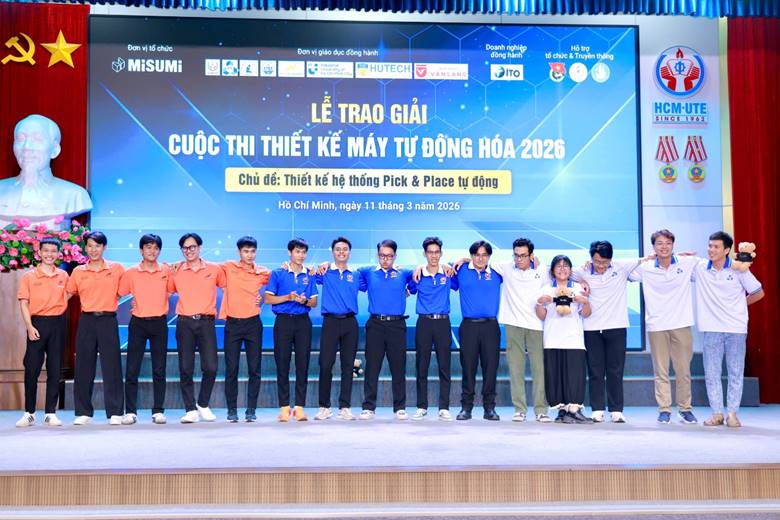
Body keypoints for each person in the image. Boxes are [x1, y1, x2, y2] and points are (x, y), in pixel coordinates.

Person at [693, 231, 764, 427]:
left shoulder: (739, 269)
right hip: (711, 328)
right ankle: (717, 413)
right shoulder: (700, 268)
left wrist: (739, 305)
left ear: (726, 250)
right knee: (712, 372)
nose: (711, 250)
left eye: (716, 247)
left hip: (736, 328)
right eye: (710, 246)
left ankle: (732, 413)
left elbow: (758, 292)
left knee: (735, 371)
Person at [629, 229, 699, 424]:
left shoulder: (686, 262)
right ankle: (664, 409)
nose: (664, 247)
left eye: (668, 243)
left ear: (673, 245)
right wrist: (643, 259)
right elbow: (623, 272)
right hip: (657, 325)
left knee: (683, 370)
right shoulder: (645, 267)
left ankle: (685, 409)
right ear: (653, 247)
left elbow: (712, 265)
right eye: (659, 243)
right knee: (661, 371)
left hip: (681, 323)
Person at [571, 241, 643, 424]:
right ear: (591, 258)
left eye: (604, 262)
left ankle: (616, 410)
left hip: (616, 326)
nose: (601, 266)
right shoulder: (583, 270)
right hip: (591, 328)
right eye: (597, 261)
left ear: (611, 259)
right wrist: (580, 280)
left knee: (615, 371)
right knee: (595, 371)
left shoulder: (621, 267)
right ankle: (597, 409)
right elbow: (559, 271)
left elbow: (649, 259)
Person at [66, 231, 125, 425]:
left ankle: (115, 412)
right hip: (87, 320)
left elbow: (129, 286)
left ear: (104, 247)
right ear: (85, 248)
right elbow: (67, 294)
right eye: (90, 246)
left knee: (112, 367)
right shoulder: (78, 272)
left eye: (97, 246)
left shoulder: (116, 268)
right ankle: (83, 412)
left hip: (108, 320)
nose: (93, 250)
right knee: (84, 366)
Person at [491, 238, 551, 423]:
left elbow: (565, 274)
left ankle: (541, 410)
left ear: (531, 255)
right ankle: (519, 410)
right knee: (515, 368)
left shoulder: (543, 270)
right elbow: (480, 261)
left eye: (523, 256)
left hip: (536, 325)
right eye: (516, 255)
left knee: (539, 369)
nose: (519, 259)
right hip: (513, 324)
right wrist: (463, 259)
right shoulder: (506, 268)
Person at [167, 232, 226, 424]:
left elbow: (228, 287)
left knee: (211, 366)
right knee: (186, 367)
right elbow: (166, 292)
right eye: (185, 248)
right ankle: (190, 409)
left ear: (200, 248)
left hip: (206, 322)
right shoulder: (176, 270)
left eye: (192, 247)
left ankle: (203, 403)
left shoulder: (214, 269)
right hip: (184, 323)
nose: (189, 251)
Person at [0, 114, 92, 229]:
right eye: (20, 139)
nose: (26, 147)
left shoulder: (75, 195)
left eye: (37, 139)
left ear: (55, 150)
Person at [15, 238, 70, 427]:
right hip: (36, 324)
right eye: (46, 250)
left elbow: (69, 294)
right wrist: (29, 326)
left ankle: (50, 413)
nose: (49, 254)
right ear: (39, 252)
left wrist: (60, 305)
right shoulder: (29, 276)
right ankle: (29, 413)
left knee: (55, 368)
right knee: (32, 369)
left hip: (58, 324)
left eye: (53, 251)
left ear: (58, 253)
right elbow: (24, 303)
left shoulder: (63, 275)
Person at [358, 239, 415, 420]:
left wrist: (407, 291)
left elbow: (418, 277)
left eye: (389, 256)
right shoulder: (368, 272)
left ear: (395, 256)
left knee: (398, 367)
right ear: (378, 255)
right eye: (382, 255)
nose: (385, 259)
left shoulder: (404, 272)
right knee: (372, 367)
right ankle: (368, 407)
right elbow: (349, 273)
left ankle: (400, 407)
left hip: (397, 325)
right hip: (375, 324)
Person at [118, 234, 171, 425]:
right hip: (138, 323)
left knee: (159, 368)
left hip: (159, 324)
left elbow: (174, 288)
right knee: (132, 368)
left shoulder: (166, 270)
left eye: (156, 248)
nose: (152, 251)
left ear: (159, 251)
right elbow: (120, 292)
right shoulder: (131, 272)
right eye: (148, 247)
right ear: (141, 250)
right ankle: (131, 412)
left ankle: (158, 411)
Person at [265, 238, 318, 422]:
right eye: (297, 251)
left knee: (303, 364)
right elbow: (268, 299)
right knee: (282, 364)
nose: (301, 255)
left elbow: (314, 302)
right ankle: (284, 407)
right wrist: (288, 297)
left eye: (303, 252)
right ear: (290, 253)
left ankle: (300, 407)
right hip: (283, 322)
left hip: (303, 322)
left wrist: (304, 301)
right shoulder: (278, 273)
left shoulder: (309, 274)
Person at [535, 255, 593, 424]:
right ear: (552, 270)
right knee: (555, 376)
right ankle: (562, 411)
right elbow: (542, 316)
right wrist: (540, 303)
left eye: (565, 265)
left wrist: (586, 302)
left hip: (574, 339)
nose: (562, 269)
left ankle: (574, 410)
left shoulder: (578, 287)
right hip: (552, 339)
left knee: (575, 376)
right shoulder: (546, 288)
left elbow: (586, 314)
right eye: (558, 266)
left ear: (570, 269)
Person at [219, 236, 271, 423]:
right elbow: (205, 267)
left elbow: (280, 279)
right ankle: (231, 410)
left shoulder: (263, 272)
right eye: (245, 251)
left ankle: (251, 410)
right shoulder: (228, 267)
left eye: (252, 251)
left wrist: (264, 297)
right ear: (239, 252)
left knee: (254, 369)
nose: (249, 255)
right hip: (232, 324)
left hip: (253, 324)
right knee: (231, 368)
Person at [452, 241, 503, 421]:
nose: (480, 259)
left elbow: (526, 265)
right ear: (471, 256)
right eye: (476, 255)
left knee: (491, 368)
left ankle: (490, 408)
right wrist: (461, 261)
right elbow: (439, 268)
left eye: (484, 255)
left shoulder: (498, 272)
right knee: (468, 368)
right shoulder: (460, 270)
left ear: (489, 256)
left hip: (491, 326)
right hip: (469, 326)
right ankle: (466, 407)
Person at [313, 237, 362, 421]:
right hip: (330, 322)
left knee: (348, 366)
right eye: (338, 249)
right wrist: (320, 264)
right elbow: (307, 272)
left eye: (345, 249)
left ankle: (345, 407)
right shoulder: (324, 271)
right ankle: (324, 407)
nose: (341, 252)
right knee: (325, 364)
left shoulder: (356, 274)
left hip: (350, 323)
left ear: (349, 252)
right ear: (332, 252)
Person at [407, 237, 454, 421]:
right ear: (424, 254)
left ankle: (444, 407)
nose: (433, 256)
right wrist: (417, 268)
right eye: (430, 252)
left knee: (444, 366)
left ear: (441, 253)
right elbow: (408, 289)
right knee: (422, 366)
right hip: (424, 323)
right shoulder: (418, 275)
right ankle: (422, 406)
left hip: (442, 323)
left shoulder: (448, 273)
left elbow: (467, 264)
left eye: (436, 252)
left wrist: (454, 263)